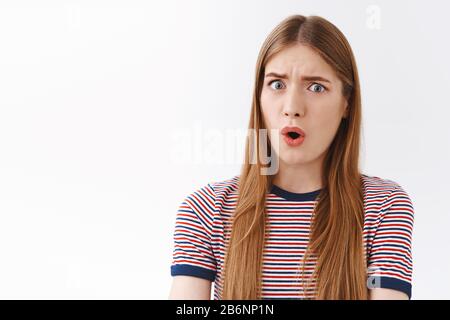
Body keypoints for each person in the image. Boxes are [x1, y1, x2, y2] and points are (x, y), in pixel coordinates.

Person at [168, 14, 414, 300]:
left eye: (316, 87)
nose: (292, 107)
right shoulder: (205, 210)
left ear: (347, 103)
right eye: (277, 84)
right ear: (258, 96)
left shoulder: (383, 207)